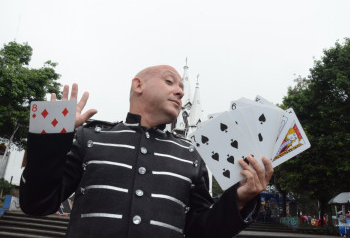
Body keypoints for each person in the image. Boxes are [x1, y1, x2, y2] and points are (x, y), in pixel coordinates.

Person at [19, 65, 274, 238]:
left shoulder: (190, 154)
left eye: (182, 87)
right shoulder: (90, 137)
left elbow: (201, 230)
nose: (180, 91)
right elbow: (36, 204)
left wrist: (240, 199)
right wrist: (51, 136)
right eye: (169, 81)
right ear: (138, 85)